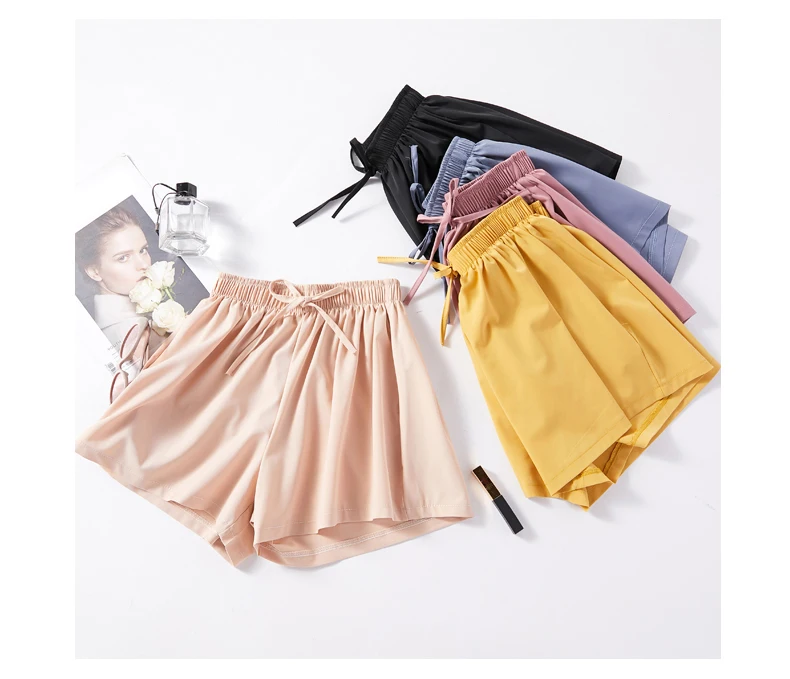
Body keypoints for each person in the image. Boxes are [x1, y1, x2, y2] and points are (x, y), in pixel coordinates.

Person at [76, 206, 164, 363]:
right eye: (123, 258)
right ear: (94, 271)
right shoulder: (130, 332)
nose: (143, 264)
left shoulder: (136, 318)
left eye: (143, 250)